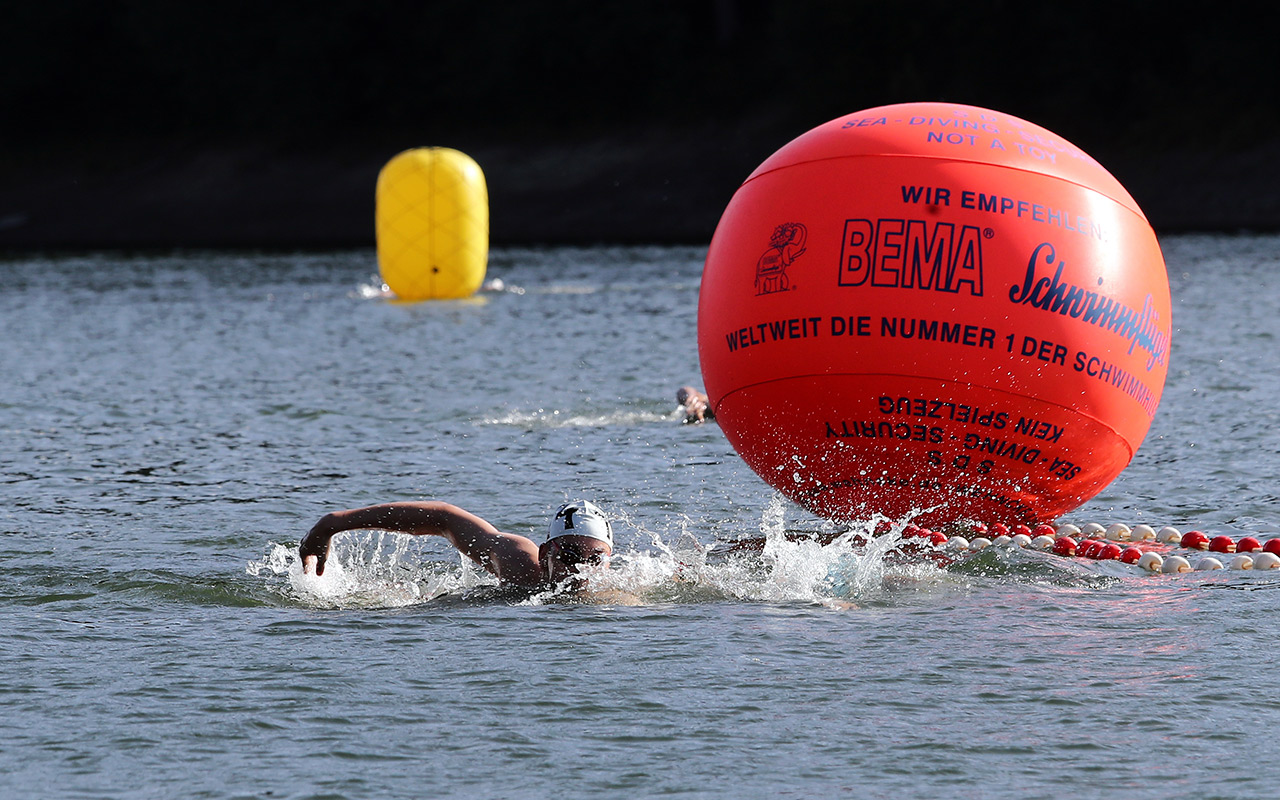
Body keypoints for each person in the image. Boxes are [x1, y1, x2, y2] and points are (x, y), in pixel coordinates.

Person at [299, 498, 616, 592]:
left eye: (595, 559)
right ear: (545, 554)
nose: (580, 568)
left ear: (610, 560)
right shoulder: (518, 564)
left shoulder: (624, 598)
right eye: (570, 555)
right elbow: (444, 518)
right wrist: (333, 523)